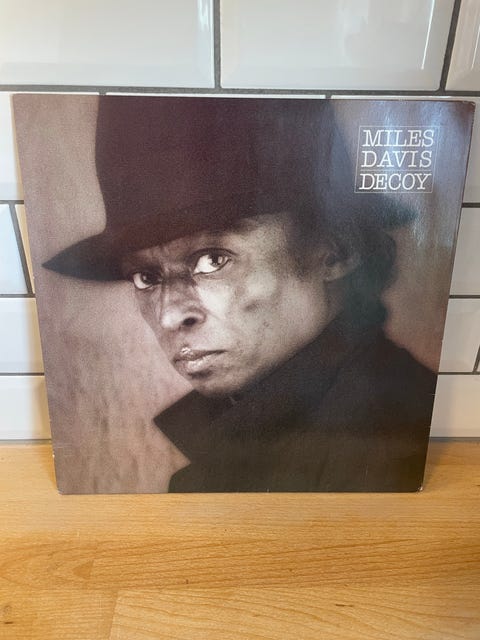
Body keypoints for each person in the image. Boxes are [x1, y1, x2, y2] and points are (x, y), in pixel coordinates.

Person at [44, 96, 436, 492]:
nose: (169, 316)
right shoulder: (253, 441)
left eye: (213, 259)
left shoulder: (388, 444)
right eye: (146, 277)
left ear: (336, 250)